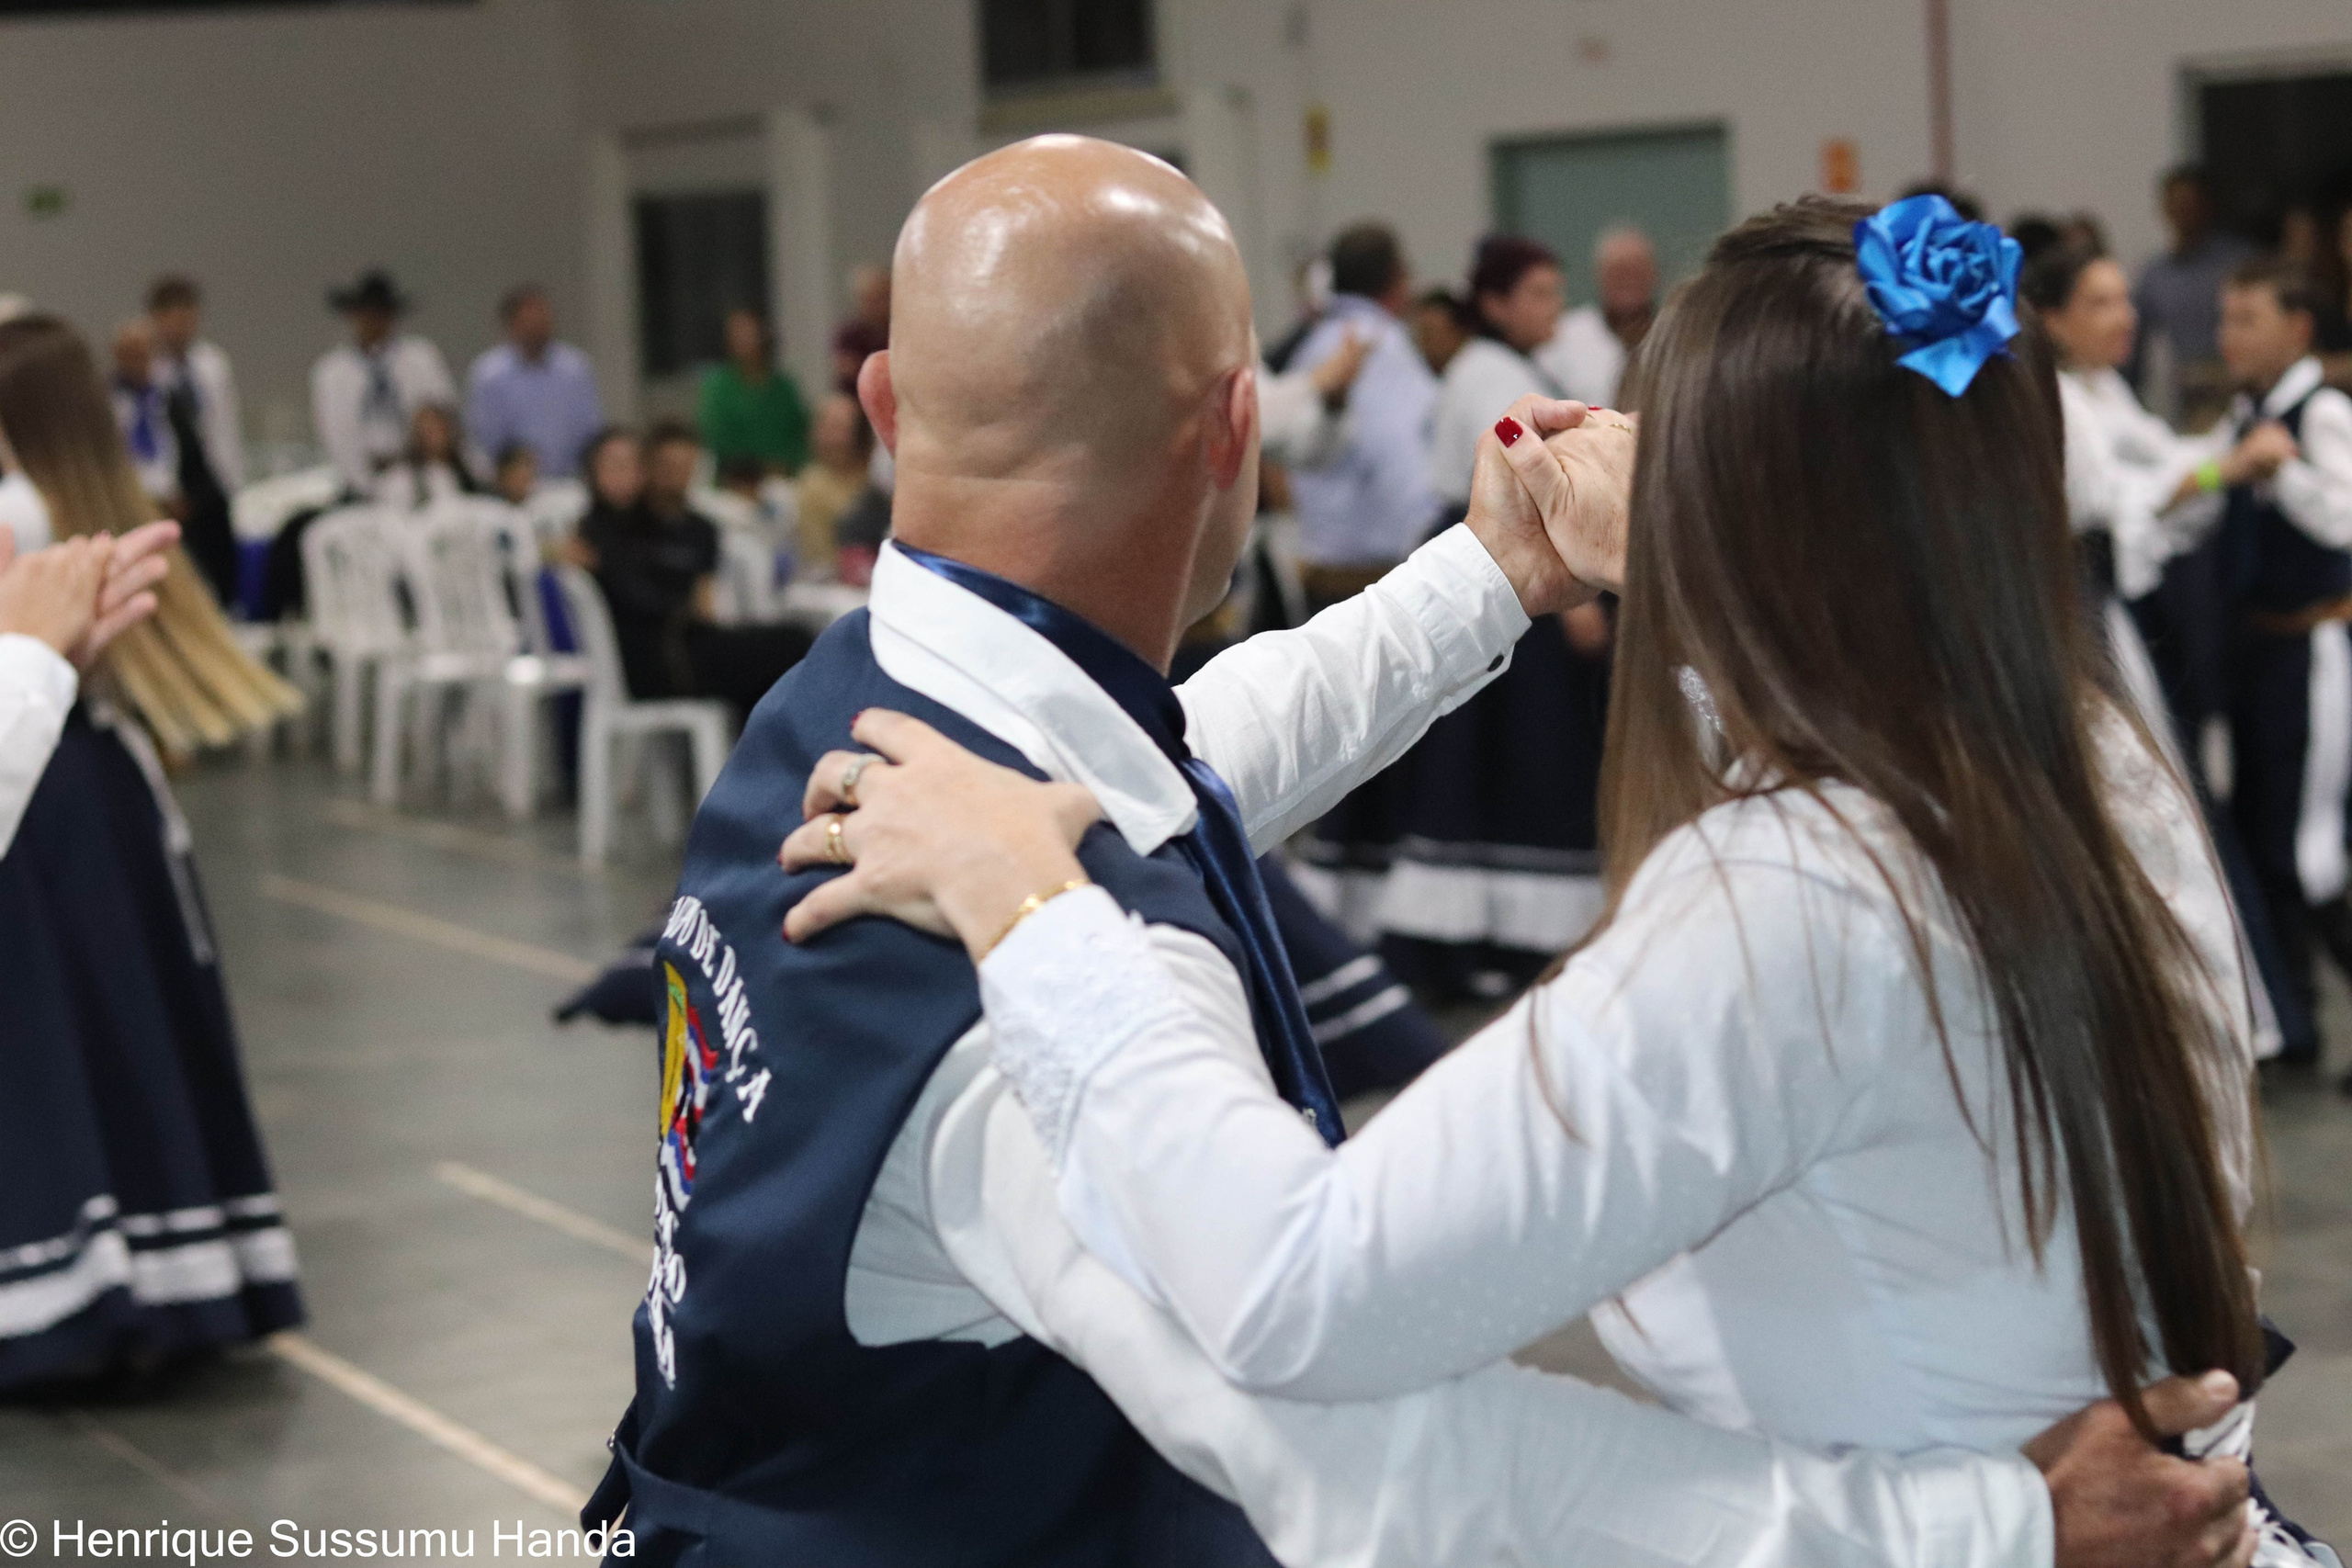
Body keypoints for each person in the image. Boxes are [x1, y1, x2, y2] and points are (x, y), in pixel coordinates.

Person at [582, 139, 2256, 1568]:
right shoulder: (2097, 755)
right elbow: (1374, 1458)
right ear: (1241, 425)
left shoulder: (860, 718)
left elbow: (1152, 785)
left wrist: (1041, 895)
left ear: (883, 405)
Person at [0, 312, 305, 1391]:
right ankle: (173, 1269)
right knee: (121, 1023)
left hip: (38, 791)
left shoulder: (15, 507)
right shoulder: (78, 495)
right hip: (92, 783)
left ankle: (87, 1288)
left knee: (56, 1041)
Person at [2024, 238, 2311, 1066]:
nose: (2125, 317)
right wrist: (2230, 467)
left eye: (2124, 298)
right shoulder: (2058, 402)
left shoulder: (2103, 391)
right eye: (2102, 303)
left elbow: (2164, 461)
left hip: (2116, 618)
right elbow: (2128, 498)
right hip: (2087, 624)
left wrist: (2227, 453)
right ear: (2054, 318)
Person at [1309, 231, 1607, 993]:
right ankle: (1466, 941)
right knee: (1491, 762)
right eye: (1536, 292)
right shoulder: (1490, 373)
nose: (1552, 306)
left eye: (1554, 290)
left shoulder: (1519, 366)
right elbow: (1518, 471)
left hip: (1502, 554)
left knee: (1508, 765)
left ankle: (1498, 934)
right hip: (1494, 553)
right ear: (1497, 303)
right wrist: (1575, 598)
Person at [2209, 254, 2352, 1078]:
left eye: (2247, 319)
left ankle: (2311, 1023)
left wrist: (2282, 465)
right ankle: (2293, 1024)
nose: (2229, 337)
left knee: (2312, 846)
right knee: (2267, 835)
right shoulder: (2246, 414)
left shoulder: (2320, 412)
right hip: (2259, 648)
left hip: (2313, 647)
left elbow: (2340, 521)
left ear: (2297, 329)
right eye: (2226, 319)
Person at [573, 422, 805, 715]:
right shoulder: (596, 532)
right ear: (593, 473)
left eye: (634, 464)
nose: (627, 475)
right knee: (791, 645)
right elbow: (640, 599)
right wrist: (684, 605)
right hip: (659, 662)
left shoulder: (650, 526)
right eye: (615, 465)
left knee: (778, 655)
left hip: (681, 649)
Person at [1283, 222, 1441, 614]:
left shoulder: (1314, 344)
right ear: (1396, 279)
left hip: (1325, 565)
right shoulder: (1378, 347)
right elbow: (1398, 455)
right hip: (1373, 577)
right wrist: (1433, 552)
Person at [311, 271, 456, 497]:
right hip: (362, 479)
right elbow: (335, 437)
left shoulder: (421, 359)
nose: (374, 322)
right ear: (353, 316)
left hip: (422, 477)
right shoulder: (332, 372)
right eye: (367, 314)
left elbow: (443, 421)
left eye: (382, 313)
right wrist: (362, 483)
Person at [147, 276, 244, 610]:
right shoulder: (147, 371)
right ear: (156, 319)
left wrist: (231, 483)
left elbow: (226, 426)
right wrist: (162, 489)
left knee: (222, 571)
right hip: (172, 485)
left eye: (187, 317)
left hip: (212, 479)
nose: (181, 327)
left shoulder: (212, 364)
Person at [2135, 167, 2257, 423]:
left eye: (2190, 204)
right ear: (2165, 209)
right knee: (2203, 459)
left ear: (2207, 205)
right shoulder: (2156, 275)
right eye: (2176, 204)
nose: (2184, 213)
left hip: (2244, 384)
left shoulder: (2239, 262)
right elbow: (2135, 349)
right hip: (2188, 394)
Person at [464, 284, 604, 480]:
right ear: (511, 325)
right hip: (509, 487)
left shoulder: (576, 369)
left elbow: (591, 431)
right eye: (529, 321)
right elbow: (482, 439)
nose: (537, 327)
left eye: (543, 319)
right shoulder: (489, 374)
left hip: (570, 482)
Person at [1537, 224, 1660, 407]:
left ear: (1655, 274)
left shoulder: (1680, 334)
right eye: (1618, 271)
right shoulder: (1561, 336)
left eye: (1637, 270)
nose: (1628, 279)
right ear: (1599, 275)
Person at [697, 308, 810, 476]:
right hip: (734, 482)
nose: (743, 339)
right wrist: (755, 470)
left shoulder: (784, 387)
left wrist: (786, 465)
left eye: (749, 332)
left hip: (785, 477)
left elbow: (802, 435)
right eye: (736, 333)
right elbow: (716, 439)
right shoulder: (717, 388)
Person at [792, 392, 876, 580]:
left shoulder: (878, 478)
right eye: (826, 427)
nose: (831, 438)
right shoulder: (812, 485)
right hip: (833, 583)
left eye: (840, 428)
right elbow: (820, 559)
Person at [109, 318, 178, 507]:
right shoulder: (107, 400)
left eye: (143, 354)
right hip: (127, 497)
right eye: (130, 355)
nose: (137, 362)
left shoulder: (169, 396)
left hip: (171, 495)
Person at [372, 402, 480, 512]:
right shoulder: (397, 479)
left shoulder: (470, 474)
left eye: (437, 428)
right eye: (426, 430)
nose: (432, 436)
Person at [831, 263, 892, 393]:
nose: (874, 306)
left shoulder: (900, 332)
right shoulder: (850, 334)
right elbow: (847, 369)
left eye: (879, 298)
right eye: (867, 299)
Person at [1408, 286, 1472, 376]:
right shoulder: (1419, 374)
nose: (1424, 343)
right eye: (1420, 333)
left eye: (1430, 333)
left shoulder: (1480, 368)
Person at [491, 441, 538, 508]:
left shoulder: (539, 505)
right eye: (517, 478)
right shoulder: (483, 507)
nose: (521, 484)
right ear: (502, 476)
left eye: (524, 478)